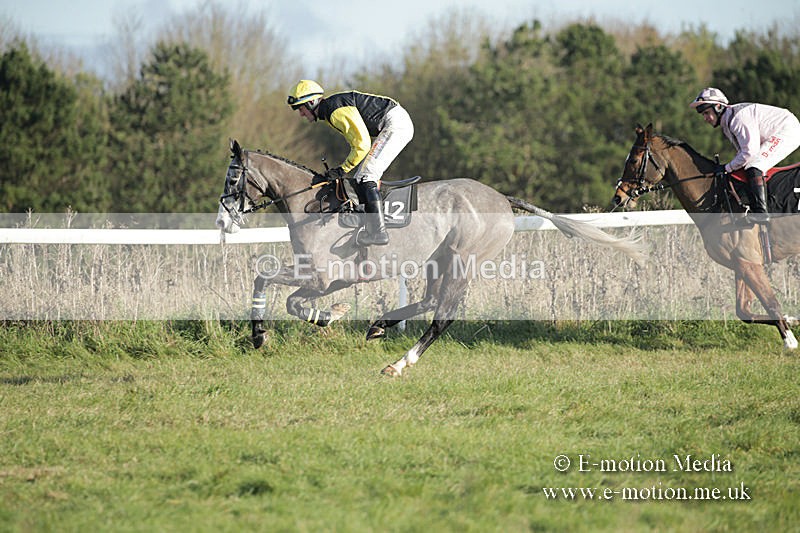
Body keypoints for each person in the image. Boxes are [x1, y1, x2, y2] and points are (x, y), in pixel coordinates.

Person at [287, 80, 414, 246]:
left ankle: (379, 232)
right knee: (361, 177)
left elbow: (362, 145)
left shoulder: (334, 111)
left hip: (396, 125)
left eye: (300, 108)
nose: (301, 114)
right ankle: (368, 223)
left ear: (311, 103)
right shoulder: (331, 111)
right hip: (394, 122)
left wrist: (342, 169)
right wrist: (343, 169)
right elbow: (358, 145)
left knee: (367, 176)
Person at [690, 87, 800, 223]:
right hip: (777, 130)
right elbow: (743, 154)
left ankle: (761, 213)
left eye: (707, 113)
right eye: (703, 115)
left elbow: (749, 153)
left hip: (788, 130)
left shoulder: (737, 119)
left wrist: (726, 168)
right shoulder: (728, 122)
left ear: (718, 107)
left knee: (754, 165)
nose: (705, 118)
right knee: (749, 165)